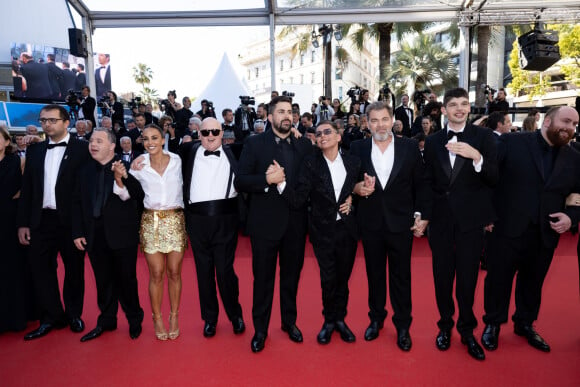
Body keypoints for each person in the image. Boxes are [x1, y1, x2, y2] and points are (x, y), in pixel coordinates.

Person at [481, 106, 580, 353]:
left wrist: (571, 217)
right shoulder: (512, 142)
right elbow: (488, 178)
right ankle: (493, 323)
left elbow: (577, 194)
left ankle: (524, 323)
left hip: (545, 232)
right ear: (547, 122)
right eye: (566, 121)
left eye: (575, 124)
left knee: (533, 283)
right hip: (506, 226)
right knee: (498, 279)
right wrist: (487, 214)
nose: (570, 128)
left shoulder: (575, 157)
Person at [423, 88, 498, 360]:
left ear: (469, 108)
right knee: (442, 279)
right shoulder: (432, 142)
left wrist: (476, 157)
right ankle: (444, 327)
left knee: (467, 280)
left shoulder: (484, 137)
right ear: (443, 110)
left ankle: (467, 331)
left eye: (463, 104)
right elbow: (428, 183)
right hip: (441, 223)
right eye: (452, 104)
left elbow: (495, 177)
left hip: (470, 222)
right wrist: (424, 216)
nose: (458, 109)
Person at [235, 95, 313, 353]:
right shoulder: (254, 143)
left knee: (291, 278)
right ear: (269, 117)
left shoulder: (304, 146)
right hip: (265, 224)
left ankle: (289, 323)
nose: (286, 115)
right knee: (263, 280)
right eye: (280, 111)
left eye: (289, 111)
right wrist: (267, 180)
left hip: (295, 224)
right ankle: (260, 329)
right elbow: (241, 181)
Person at [350, 101, 429, 351]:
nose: (380, 125)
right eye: (374, 120)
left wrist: (421, 215)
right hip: (371, 223)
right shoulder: (357, 147)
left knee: (401, 277)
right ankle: (376, 319)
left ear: (392, 120)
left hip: (401, 223)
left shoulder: (409, 147)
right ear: (367, 123)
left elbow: (421, 185)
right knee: (374, 276)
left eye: (384, 119)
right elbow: (349, 182)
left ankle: (403, 325)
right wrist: (357, 189)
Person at [278, 120, 359, 344]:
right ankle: (329, 321)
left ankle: (340, 319)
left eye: (327, 132)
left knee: (343, 278)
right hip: (322, 230)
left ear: (339, 136)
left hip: (348, 229)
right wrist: (281, 184)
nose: (322, 136)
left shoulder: (353, 162)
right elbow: (299, 198)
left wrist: (353, 199)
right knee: (328, 278)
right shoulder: (311, 163)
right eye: (319, 133)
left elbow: (360, 188)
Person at [17, 104, 90, 340]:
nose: (46, 124)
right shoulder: (35, 151)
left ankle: (73, 315)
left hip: (71, 221)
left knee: (74, 269)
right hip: (40, 220)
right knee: (41, 270)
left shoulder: (82, 149)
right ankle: (50, 316)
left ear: (66, 122)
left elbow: (86, 189)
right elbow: (27, 189)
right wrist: (23, 223)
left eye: (52, 120)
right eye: (43, 120)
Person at [71, 129, 144, 342]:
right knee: (102, 281)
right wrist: (77, 232)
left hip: (122, 235)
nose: (93, 144)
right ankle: (107, 320)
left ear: (112, 146)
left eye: (99, 141)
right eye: (91, 141)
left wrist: (124, 177)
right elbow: (76, 202)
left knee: (126, 280)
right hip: (94, 235)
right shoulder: (84, 171)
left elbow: (139, 196)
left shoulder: (127, 167)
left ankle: (134, 319)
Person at [180, 117, 245, 338]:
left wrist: (294, 134)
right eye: (205, 132)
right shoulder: (187, 152)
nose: (210, 136)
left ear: (222, 133)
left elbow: (261, 146)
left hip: (225, 220)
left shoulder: (235, 151)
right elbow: (160, 155)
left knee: (225, 272)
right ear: (199, 133)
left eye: (214, 132)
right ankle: (210, 319)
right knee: (203, 272)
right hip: (196, 222)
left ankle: (235, 314)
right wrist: (139, 161)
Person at [128, 124, 186, 340]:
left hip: (175, 219)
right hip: (150, 221)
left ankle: (174, 315)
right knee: (156, 273)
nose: (150, 142)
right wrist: (121, 175)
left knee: (174, 272)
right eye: (145, 139)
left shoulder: (178, 161)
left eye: (154, 138)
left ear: (163, 139)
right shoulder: (138, 166)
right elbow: (126, 194)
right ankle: (157, 317)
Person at [0, 126, 27, 333]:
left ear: (7, 142)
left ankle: (14, 317)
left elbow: (23, 192)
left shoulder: (17, 162)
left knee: (11, 268)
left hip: (10, 222)